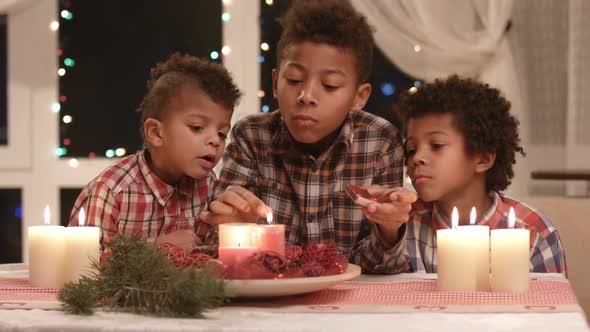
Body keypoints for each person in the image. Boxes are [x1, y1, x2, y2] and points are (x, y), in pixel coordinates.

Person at [200, 0, 416, 274]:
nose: (306, 96)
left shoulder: (380, 141)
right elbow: (217, 250)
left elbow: (377, 267)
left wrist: (389, 228)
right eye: (293, 80)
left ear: (359, 97)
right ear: (276, 83)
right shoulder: (251, 137)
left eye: (330, 85)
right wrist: (230, 227)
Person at [68, 53, 241, 261]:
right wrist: (156, 249)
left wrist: (233, 230)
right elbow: (84, 265)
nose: (215, 140)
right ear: (156, 133)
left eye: (222, 133)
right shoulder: (113, 191)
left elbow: (213, 257)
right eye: (197, 127)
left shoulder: (209, 185)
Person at [397, 75, 566, 273]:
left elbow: (551, 303)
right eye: (411, 149)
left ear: (483, 158)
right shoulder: (402, 225)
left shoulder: (533, 233)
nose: (417, 158)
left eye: (436, 145)